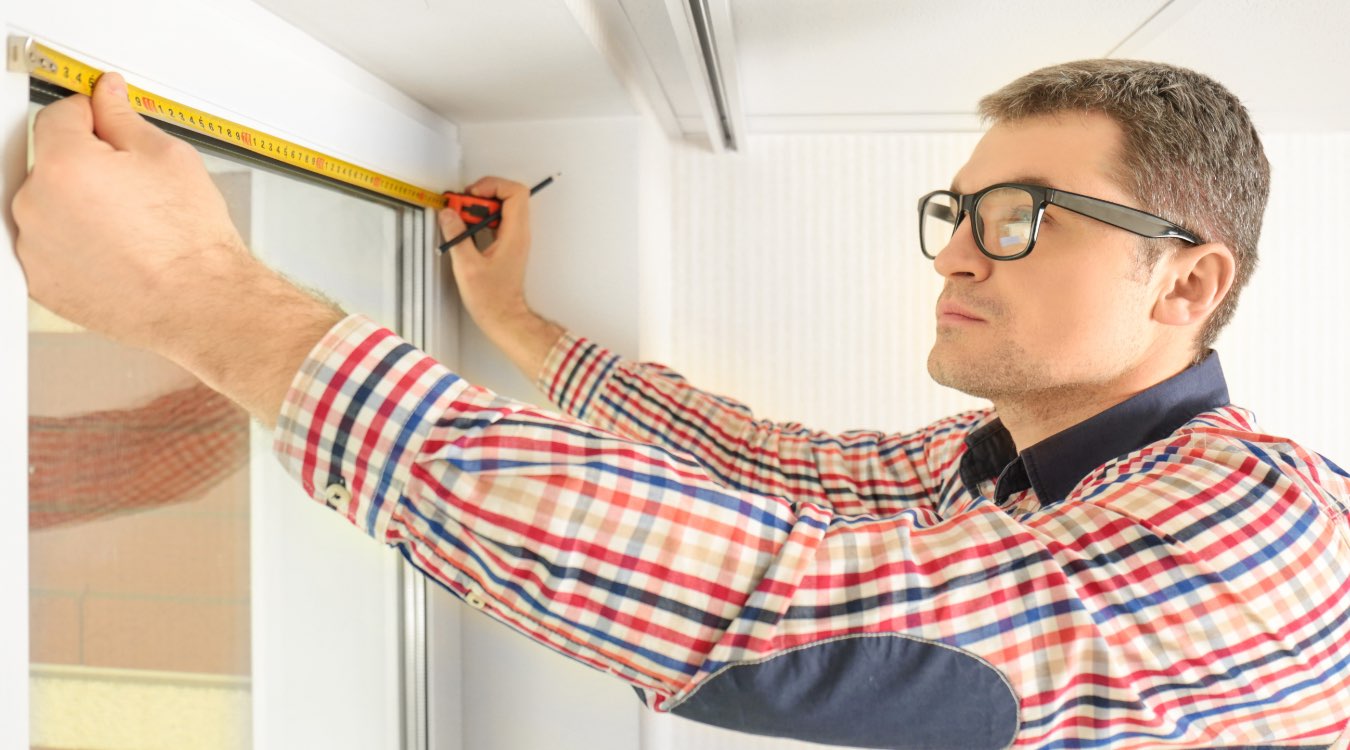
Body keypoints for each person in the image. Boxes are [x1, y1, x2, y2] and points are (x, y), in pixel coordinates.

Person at [13, 58, 1350, 749]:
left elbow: (778, 605)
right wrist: (519, 320)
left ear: (1185, 279)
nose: (952, 248)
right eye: (955, 211)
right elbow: (758, 464)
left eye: (1015, 219)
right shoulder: (993, 468)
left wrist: (197, 293)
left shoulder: (1260, 522)